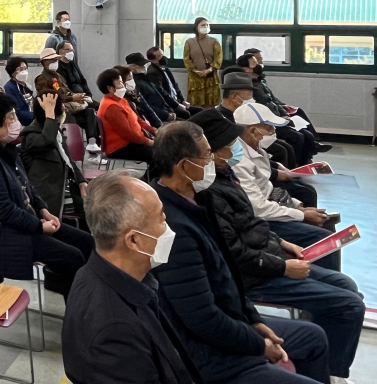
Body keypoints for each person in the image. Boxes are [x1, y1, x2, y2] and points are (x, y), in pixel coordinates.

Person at [150, 121, 330, 384]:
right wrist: (257, 344)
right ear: (184, 166)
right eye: (207, 155)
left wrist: (254, 319)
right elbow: (202, 318)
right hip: (210, 353)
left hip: (234, 316)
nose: (213, 160)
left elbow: (228, 273)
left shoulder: (201, 199)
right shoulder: (173, 228)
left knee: (314, 338)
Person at [193, 109, 365, 381]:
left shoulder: (224, 177)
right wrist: (284, 266)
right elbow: (236, 253)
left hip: (267, 251)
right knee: (350, 305)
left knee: (346, 287)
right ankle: (331, 371)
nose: (233, 150)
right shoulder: (209, 194)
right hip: (257, 274)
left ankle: (327, 355)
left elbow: (251, 224)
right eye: (228, 147)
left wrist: (282, 243)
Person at [62, 172, 202, 384]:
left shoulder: (102, 272)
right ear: (134, 240)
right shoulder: (115, 332)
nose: (168, 227)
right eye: (161, 218)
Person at [0, 92, 94, 297]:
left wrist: (44, 210)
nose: (16, 121)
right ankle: (76, 312)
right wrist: (39, 226)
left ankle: (83, 297)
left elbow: (28, 187)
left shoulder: (6, 149)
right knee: (73, 256)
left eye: (15, 115)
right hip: (4, 235)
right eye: (11, 117)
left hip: (27, 223)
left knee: (88, 242)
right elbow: (4, 210)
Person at [231, 102, 332, 251]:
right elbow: (258, 208)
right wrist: (301, 215)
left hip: (267, 209)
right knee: (322, 238)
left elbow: (268, 189)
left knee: (326, 222)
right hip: (257, 221)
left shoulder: (258, 150)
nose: (273, 131)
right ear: (253, 130)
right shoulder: (239, 160)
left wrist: (296, 206)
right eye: (269, 127)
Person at [21, 90, 87, 222]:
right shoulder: (31, 136)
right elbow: (47, 141)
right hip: (52, 197)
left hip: (66, 186)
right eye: (61, 106)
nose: (64, 110)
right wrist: (49, 113)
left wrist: (81, 182)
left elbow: (69, 161)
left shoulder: (55, 132)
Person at [39, 47, 100, 141]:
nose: (55, 62)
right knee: (85, 120)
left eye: (56, 60)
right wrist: (72, 98)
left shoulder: (57, 75)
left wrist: (80, 97)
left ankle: (92, 141)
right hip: (60, 111)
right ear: (44, 62)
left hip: (71, 107)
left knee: (90, 112)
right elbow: (51, 98)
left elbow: (67, 90)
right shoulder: (41, 78)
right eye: (52, 60)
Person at [97, 68, 155, 163]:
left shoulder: (121, 100)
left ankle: (151, 176)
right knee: (159, 154)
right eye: (120, 83)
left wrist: (153, 131)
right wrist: (149, 142)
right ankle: (155, 177)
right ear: (110, 88)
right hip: (121, 147)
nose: (123, 86)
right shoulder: (111, 107)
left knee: (164, 149)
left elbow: (138, 119)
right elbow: (128, 134)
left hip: (133, 141)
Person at [126, 53, 189, 121]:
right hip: (159, 117)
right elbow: (146, 105)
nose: (145, 66)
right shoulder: (135, 84)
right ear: (132, 67)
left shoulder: (145, 78)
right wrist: (166, 115)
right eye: (142, 65)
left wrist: (170, 110)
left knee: (187, 115)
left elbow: (161, 96)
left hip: (166, 111)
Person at [183, 18, 221, 107]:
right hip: (195, 77)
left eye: (207, 25)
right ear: (196, 27)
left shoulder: (214, 41)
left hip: (210, 77)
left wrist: (209, 70)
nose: (205, 27)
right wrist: (195, 71)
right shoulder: (189, 42)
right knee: (195, 103)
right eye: (203, 25)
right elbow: (186, 59)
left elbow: (218, 59)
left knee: (210, 102)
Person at [146, 46, 195, 112]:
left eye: (162, 54)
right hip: (169, 106)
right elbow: (161, 92)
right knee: (187, 114)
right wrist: (177, 105)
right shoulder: (152, 73)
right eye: (160, 56)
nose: (163, 57)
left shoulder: (165, 68)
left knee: (202, 111)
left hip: (177, 102)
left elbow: (175, 85)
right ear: (153, 60)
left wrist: (183, 100)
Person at [116, 64, 165, 130]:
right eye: (129, 79)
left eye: (132, 78)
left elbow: (147, 108)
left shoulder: (134, 91)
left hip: (149, 126)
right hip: (142, 130)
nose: (131, 81)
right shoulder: (122, 98)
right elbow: (136, 122)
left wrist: (160, 125)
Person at [3, 56, 34, 125]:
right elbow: (16, 112)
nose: (24, 72)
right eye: (19, 69)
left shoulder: (25, 86)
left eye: (25, 69)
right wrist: (36, 116)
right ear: (12, 72)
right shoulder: (9, 88)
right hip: (22, 124)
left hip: (32, 120)